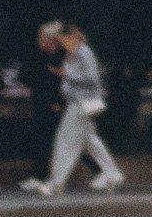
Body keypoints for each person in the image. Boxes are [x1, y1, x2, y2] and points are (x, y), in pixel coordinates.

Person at [24, 21, 125, 195]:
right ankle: (112, 174)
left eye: (64, 39)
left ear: (73, 36)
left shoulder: (83, 52)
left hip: (80, 103)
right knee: (91, 142)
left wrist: (66, 74)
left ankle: (56, 183)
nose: (62, 43)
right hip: (78, 102)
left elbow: (92, 78)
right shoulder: (76, 53)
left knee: (64, 142)